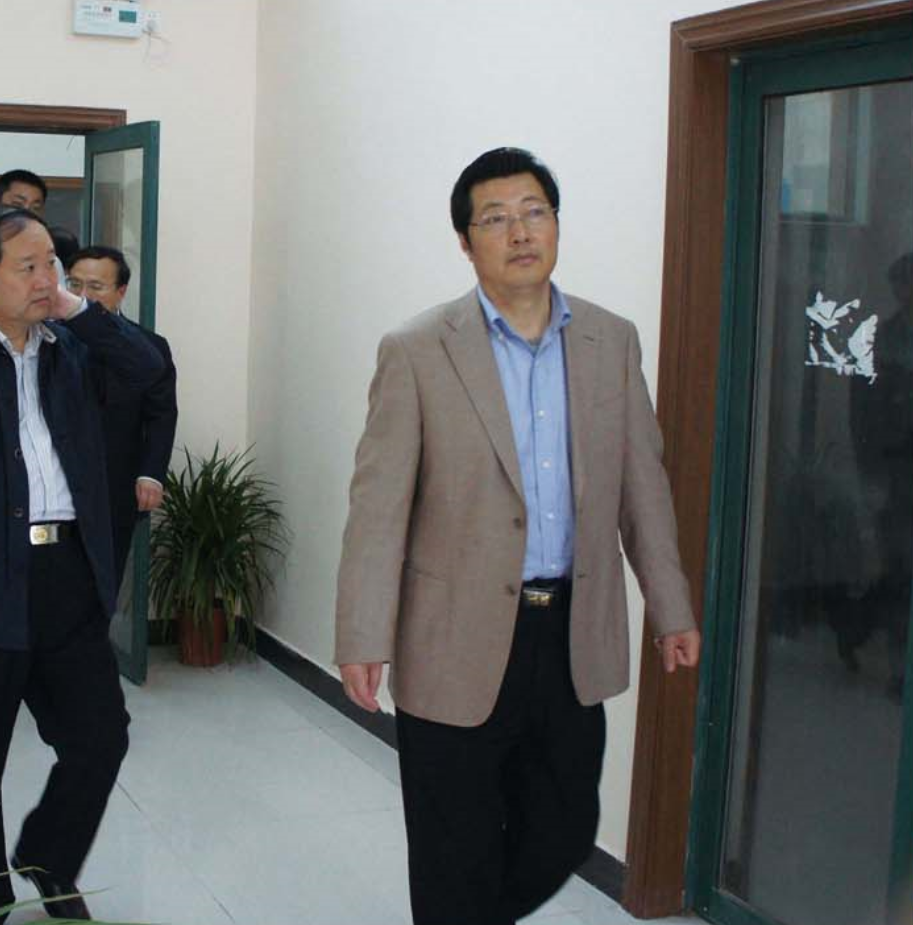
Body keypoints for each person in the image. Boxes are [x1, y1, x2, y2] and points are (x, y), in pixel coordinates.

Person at [334, 148, 701, 925]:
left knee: (562, 828)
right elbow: (377, 510)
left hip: (569, 633)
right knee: (452, 844)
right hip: (450, 637)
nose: (520, 231)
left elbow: (642, 485)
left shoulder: (610, 340)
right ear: (465, 243)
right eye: (495, 218)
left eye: (534, 211)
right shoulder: (417, 348)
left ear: (555, 224)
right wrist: (362, 635)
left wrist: (670, 606)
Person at [0, 207, 163, 923]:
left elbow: (148, 369)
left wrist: (77, 308)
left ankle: (48, 855)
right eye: (28, 267)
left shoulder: (72, 346)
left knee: (100, 737)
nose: (45, 278)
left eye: (52, 264)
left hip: (66, 577)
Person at [65, 245, 177, 575]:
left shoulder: (148, 347)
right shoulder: (51, 338)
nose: (83, 296)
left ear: (121, 292)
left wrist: (151, 474)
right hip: (60, 485)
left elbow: (161, 414)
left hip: (116, 481)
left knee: (106, 576)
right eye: (74, 284)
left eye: (95, 287)